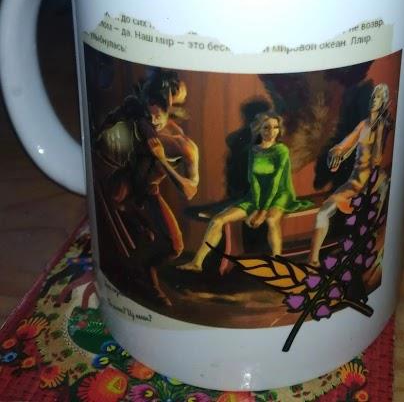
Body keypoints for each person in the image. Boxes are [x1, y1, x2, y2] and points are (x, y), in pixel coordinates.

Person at [96, 70, 199, 305]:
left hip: (148, 193)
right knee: (115, 204)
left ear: (169, 108)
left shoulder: (183, 146)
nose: (152, 121)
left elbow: (190, 190)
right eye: (148, 114)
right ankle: (141, 280)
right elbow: (107, 127)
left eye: (157, 115)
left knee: (175, 246)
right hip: (124, 184)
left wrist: (162, 159)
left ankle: (145, 269)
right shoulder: (139, 115)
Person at [179, 111, 312, 271]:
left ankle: (277, 262)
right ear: (259, 129)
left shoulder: (281, 150)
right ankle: (197, 262)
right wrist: (255, 206)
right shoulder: (254, 150)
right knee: (217, 220)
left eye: (275, 127)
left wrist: (262, 212)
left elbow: (275, 182)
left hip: (278, 194)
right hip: (255, 196)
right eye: (266, 128)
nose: (271, 132)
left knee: (271, 220)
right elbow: (253, 180)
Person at [309, 83, 392, 267]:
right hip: (354, 183)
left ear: (384, 102)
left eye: (379, 97)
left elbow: (377, 159)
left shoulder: (382, 126)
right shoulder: (363, 125)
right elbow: (344, 145)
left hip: (372, 185)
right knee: (323, 212)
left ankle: (364, 261)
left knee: (369, 224)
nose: (374, 100)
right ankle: (313, 262)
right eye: (374, 97)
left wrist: (379, 131)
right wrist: (336, 154)